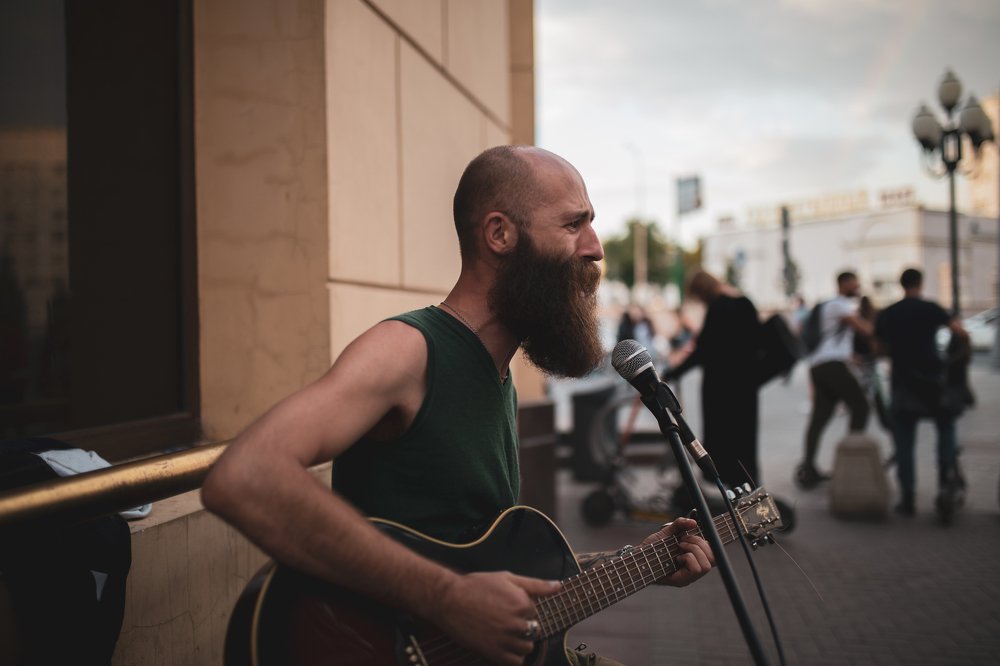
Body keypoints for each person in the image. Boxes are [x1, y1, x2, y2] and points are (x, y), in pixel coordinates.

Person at [201, 146, 714, 666]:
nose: (596, 248)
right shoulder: (407, 351)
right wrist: (446, 599)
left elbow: (483, 567)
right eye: (573, 224)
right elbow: (245, 477)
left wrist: (643, 562)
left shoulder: (497, 375)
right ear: (499, 235)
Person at [874, 268, 969, 518]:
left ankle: (908, 499)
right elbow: (960, 333)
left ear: (901, 284)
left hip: (903, 383)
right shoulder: (931, 308)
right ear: (920, 283)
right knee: (946, 430)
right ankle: (945, 486)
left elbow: (878, 347)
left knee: (904, 441)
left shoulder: (889, 313)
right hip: (933, 382)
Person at [662, 269, 762, 489]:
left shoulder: (718, 307)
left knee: (722, 439)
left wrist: (672, 373)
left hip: (720, 388)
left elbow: (703, 351)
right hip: (745, 387)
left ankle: (728, 486)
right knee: (744, 439)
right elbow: (757, 344)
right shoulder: (745, 303)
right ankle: (749, 486)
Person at [795, 271, 871, 489]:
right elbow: (862, 328)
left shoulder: (829, 305)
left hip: (819, 365)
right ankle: (851, 461)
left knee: (820, 417)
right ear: (844, 283)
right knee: (861, 407)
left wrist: (853, 358)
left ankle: (808, 467)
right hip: (832, 366)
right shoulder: (840, 305)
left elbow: (838, 340)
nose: (858, 286)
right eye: (855, 282)